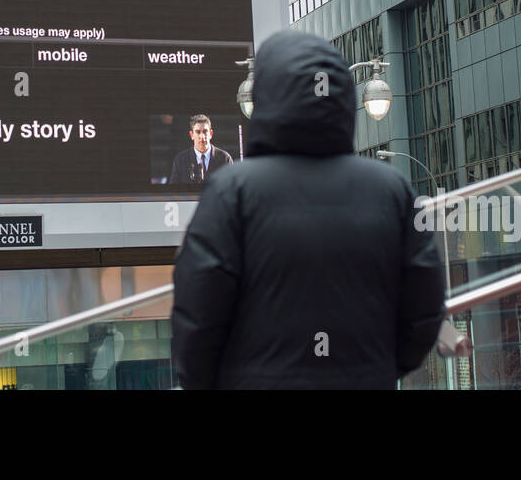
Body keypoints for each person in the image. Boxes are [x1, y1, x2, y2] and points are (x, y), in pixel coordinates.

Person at [171, 31, 447, 389]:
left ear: (266, 97)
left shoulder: (231, 192)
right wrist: (379, 368)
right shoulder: (391, 191)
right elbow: (424, 308)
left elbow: (197, 314)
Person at [168, 114, 233, 186]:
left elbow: (232, 187)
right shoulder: (180, 160)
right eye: (198, 132)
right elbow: (174, 191)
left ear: (211, 134)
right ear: (191, 135)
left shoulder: (224, 158)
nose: (202, 136)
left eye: (205, 132)